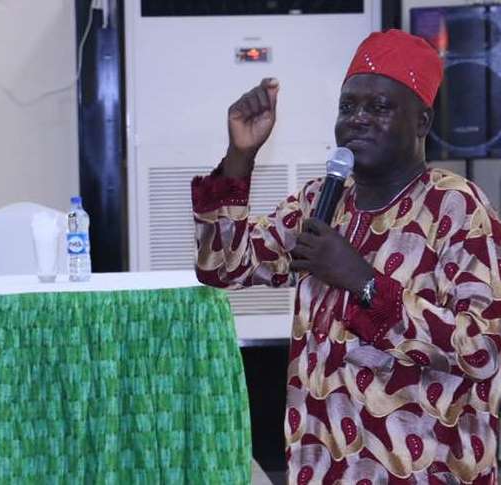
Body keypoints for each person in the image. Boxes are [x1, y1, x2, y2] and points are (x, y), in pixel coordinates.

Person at [192, 30, 501, 483]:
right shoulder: (320, 200)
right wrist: (241, 156)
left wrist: (363, 281)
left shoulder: (456, 207)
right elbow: (222, 266)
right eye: (348, 106)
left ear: (421, 123)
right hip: (324, 463)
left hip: (426, 468)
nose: (357, 119)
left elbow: (482, 348)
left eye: (378, 108)